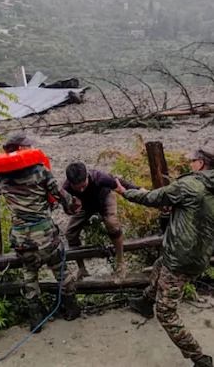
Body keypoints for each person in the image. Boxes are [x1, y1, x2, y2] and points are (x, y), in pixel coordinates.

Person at [117, 148, 214, 367]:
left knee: (166, 313)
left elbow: (152, 197)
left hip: (181, 257)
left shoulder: (189, 185)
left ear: (200, 163)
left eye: (192, 161)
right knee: (161, 265)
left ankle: (200, 359)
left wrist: (123, 192)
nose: (189, 164)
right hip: (199, 255)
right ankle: (144, 302)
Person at [0, 133, 80, 331]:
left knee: (29, 276)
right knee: (61, 270)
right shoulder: (40, 171)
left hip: (22, 241)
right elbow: (62, 196)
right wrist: (73, 204)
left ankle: (36, 319)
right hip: (46, 236)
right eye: (27, 146)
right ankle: (71, 309)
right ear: (20, 149)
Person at [63, 161, 139, 280]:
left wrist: (143, 192)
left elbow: (124, 186)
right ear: (70, 183)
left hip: (104, 199)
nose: (81, 190)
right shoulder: (66, 189)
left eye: (83, 186)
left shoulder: (100, 178)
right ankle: (82, 269)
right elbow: (67, 210)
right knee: (70, 233)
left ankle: (120, 263)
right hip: (84, 206)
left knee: (112, 223)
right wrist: (72, 208)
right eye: (78, 188)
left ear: (87, 176)